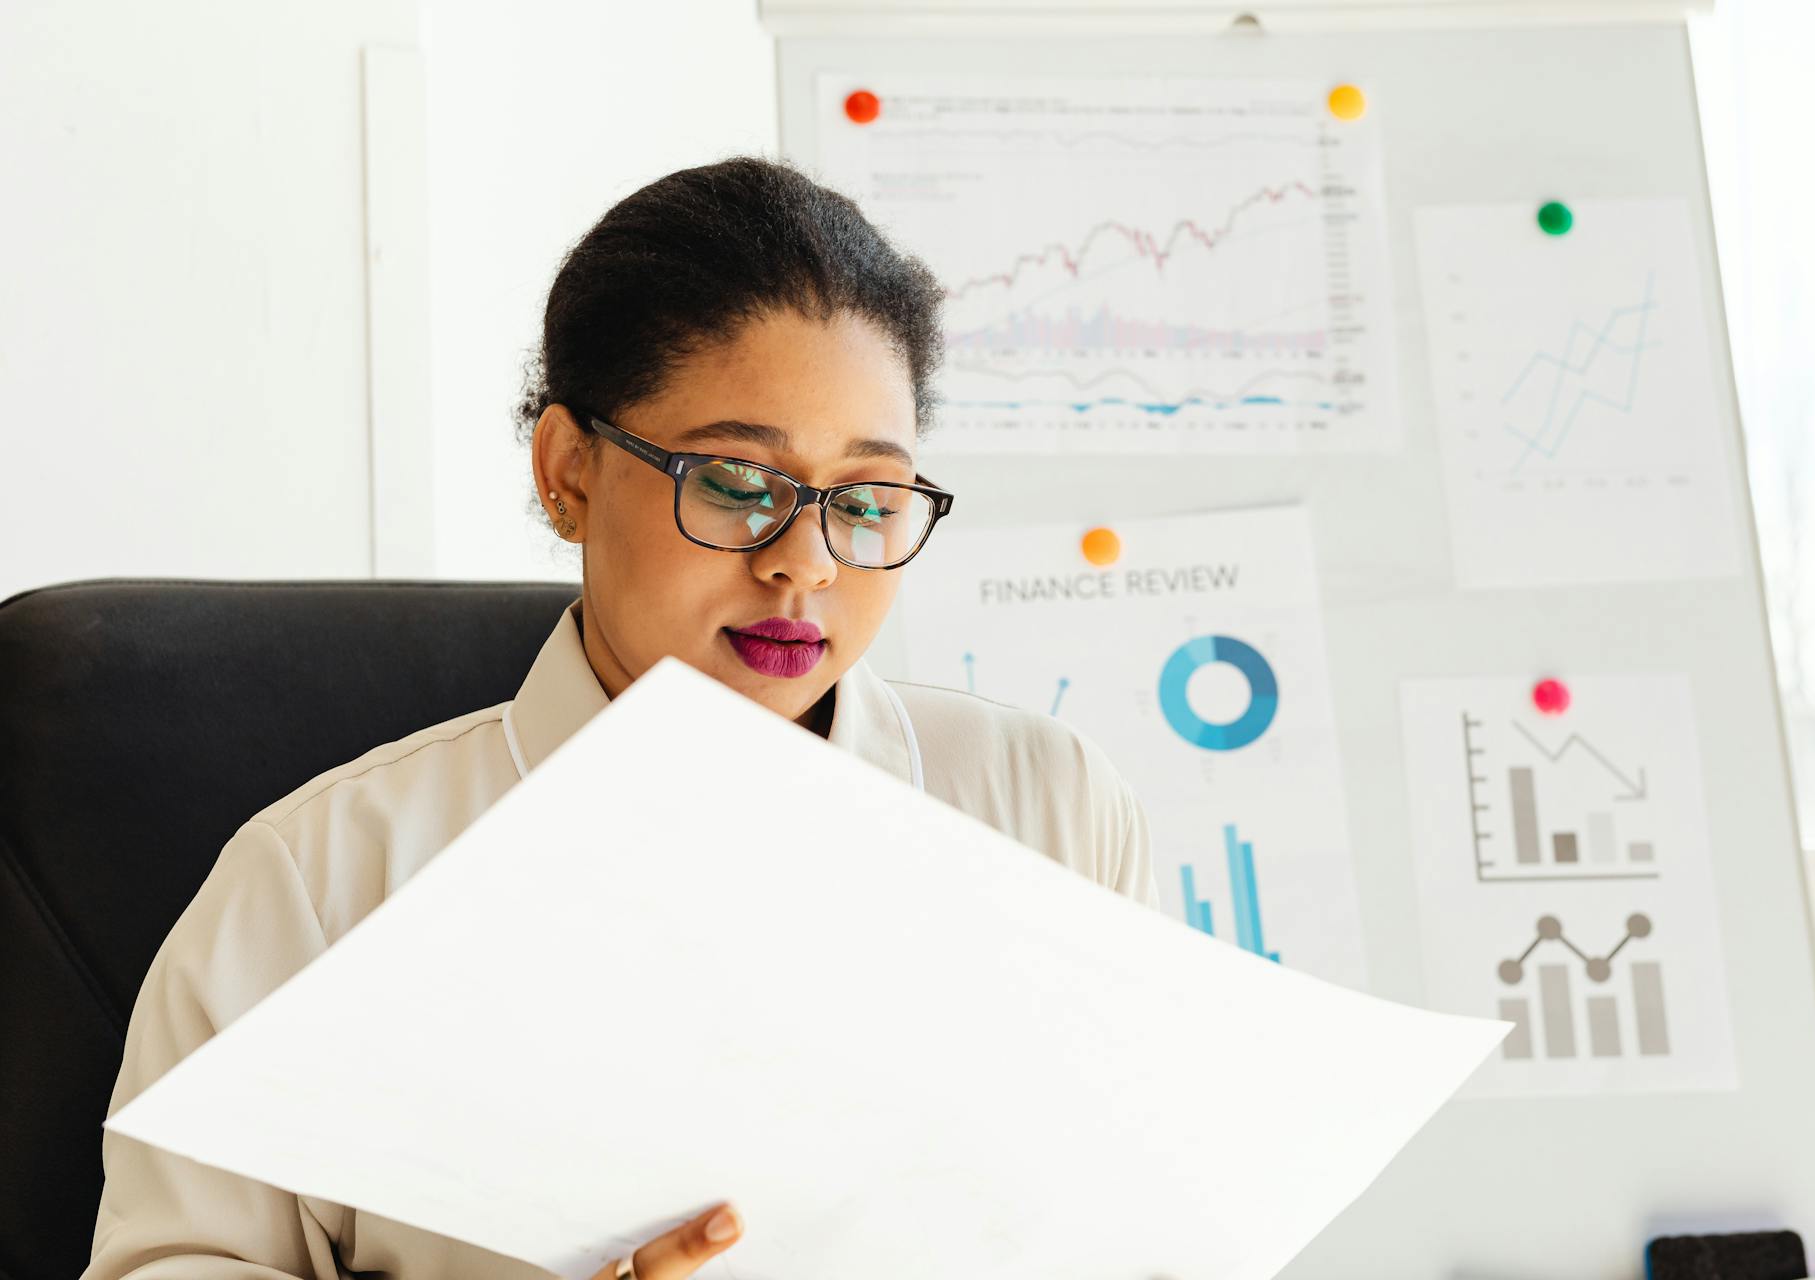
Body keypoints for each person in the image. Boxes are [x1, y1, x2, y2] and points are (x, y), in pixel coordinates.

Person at [85, 156, 1158, 1280]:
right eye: (739, 483)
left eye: (865, 500)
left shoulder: (1050, 810)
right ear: (568, 472)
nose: (806, 563)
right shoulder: (321, 883)